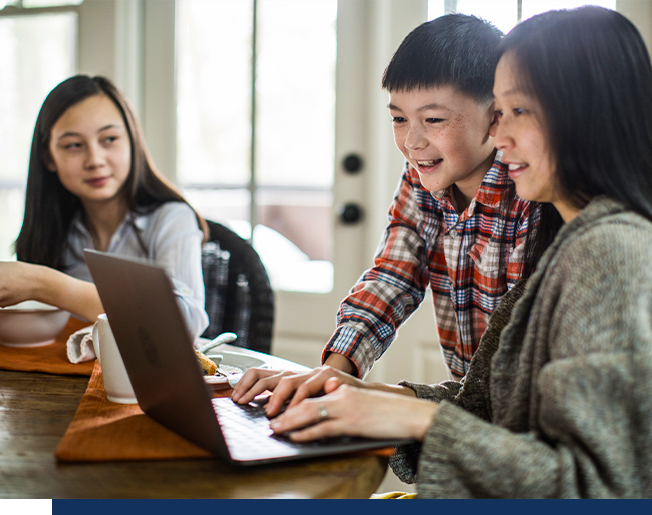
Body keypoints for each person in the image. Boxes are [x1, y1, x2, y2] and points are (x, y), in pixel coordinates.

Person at [241, 6, 652, 498]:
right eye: (398, 119)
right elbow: (399, 281)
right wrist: (346, 383)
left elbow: (596, 481)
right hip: (491, 431)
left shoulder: (601, 247)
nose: (499, 136)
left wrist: (411, 414)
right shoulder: (573, 242)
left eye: (514, 111)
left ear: (585, 114)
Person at [233, 13, 539, 413]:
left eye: (433, 119)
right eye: (398, 118)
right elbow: (394, 276)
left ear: (495, 115)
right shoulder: (423, 177)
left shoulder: (532, 196)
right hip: (467, 408)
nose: (412, 142)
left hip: (522, 410)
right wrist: (331, 372)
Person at [0, 75, 209, 338]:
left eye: (109, 139)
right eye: (74, 145)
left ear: (132, 141)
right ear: (49, 159)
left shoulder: (171, 219)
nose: (95, 160)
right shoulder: (52, 230)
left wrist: (44, 284)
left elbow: (182, 324)